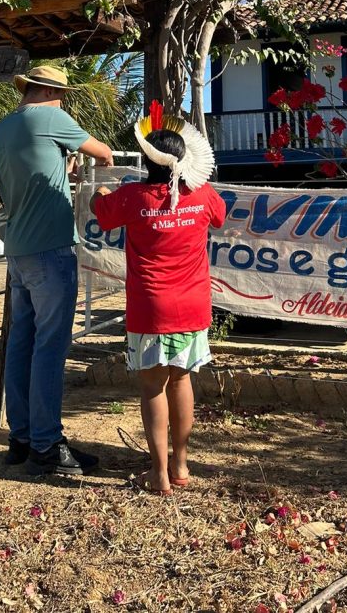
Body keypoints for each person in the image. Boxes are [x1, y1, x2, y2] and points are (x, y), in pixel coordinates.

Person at [91, 101, 225, 495]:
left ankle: (158, 472)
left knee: (152, 388)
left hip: (150, 308)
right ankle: (181, 466)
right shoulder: (201, 195)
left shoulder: (133, 196)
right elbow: (220, 217)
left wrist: (102, 187)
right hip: (193, 305)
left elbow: (103, 213)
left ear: (147, 160)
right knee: (182, 381)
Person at [0, 64, 114, 476]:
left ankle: (21, 438)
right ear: (48, 92)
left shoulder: (3, 129)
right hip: (51, 249)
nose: (63, 104)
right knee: (50, 348)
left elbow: (21, 181)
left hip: (19, 250)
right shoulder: (51, 117)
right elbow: (105, 152)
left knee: (21, 344)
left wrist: (62, 166)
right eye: (61, 97)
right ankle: (46, 444)